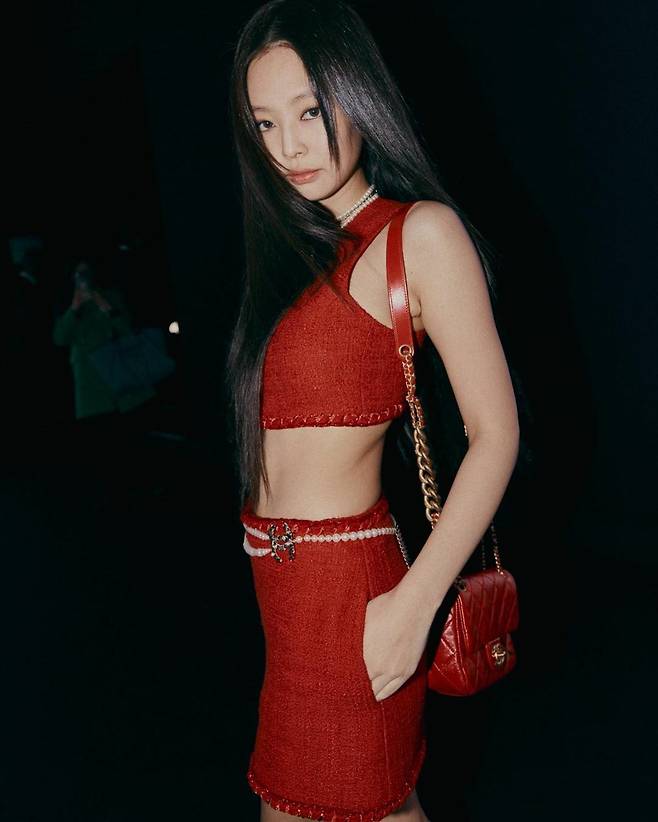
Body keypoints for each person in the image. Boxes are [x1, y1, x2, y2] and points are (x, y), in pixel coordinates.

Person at [226, 2, 526, 820]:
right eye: (265, 123)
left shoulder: (417, 235)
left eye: (310, 112)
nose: (289, 146)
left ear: (359, 95)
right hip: (286, 600)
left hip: (360, 600)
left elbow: (496, 433)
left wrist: (414, 605)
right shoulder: (292, 251)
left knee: (356, 803)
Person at [53, 260, 158, 491]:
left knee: (130, 436)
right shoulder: (68, 303)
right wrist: (74, 309)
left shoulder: (110, 296)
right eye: (78, 274)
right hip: (90, 381)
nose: (83, 279)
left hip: (118, 372)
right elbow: (60, 338)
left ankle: (138, 484)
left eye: (86, 273)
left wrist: (106, 306)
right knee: (100, 441)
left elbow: (126, 328)